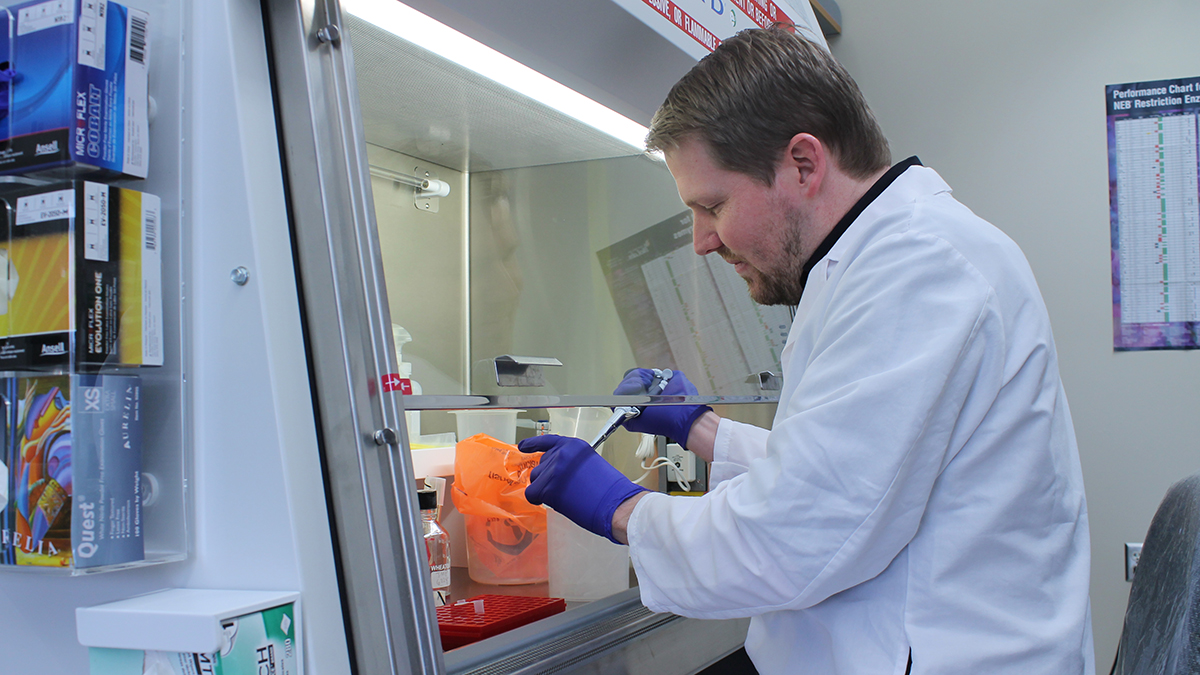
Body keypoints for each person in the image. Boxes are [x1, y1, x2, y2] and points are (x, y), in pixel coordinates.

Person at [518, 27, 1093, 675]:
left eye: (712, 205)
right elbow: (854, 471)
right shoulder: (881, 260)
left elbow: (793, 536)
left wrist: (621, 509)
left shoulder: (918, 269)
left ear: (802, 164)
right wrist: (702, 430)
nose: (702, 241)